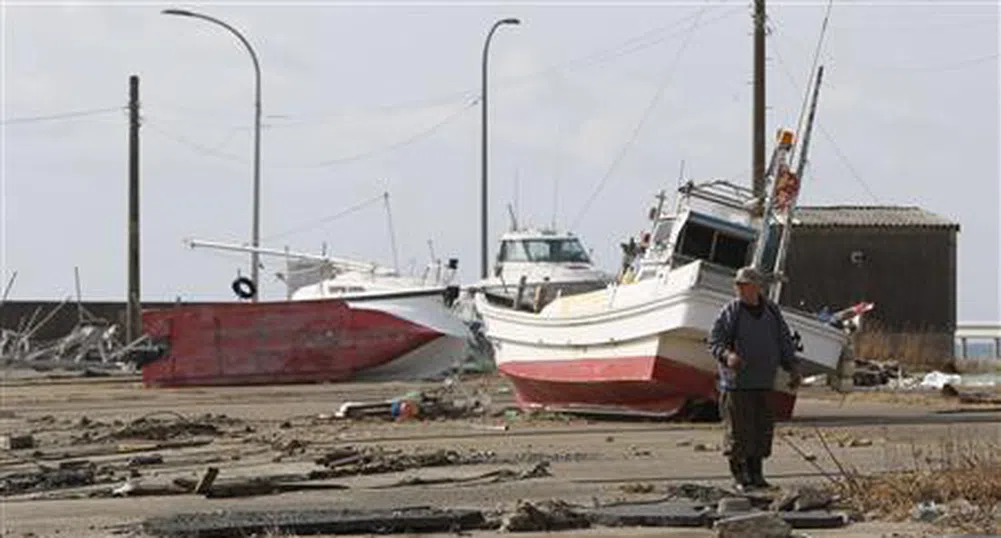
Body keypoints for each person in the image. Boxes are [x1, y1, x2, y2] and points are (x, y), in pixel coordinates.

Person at [708, 265, 802, 492]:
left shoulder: (772, 312)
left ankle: (757, 474)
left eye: (744, 284)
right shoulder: (731, 311)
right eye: (738, 284)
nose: (739, 288)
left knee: (761, 430)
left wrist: (792, 368)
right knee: (739, 432)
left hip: (763, 381)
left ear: (757, 287)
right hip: (737, 383)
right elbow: (714, 342)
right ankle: (740, 477)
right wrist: (728, 355)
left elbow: (784, 342)